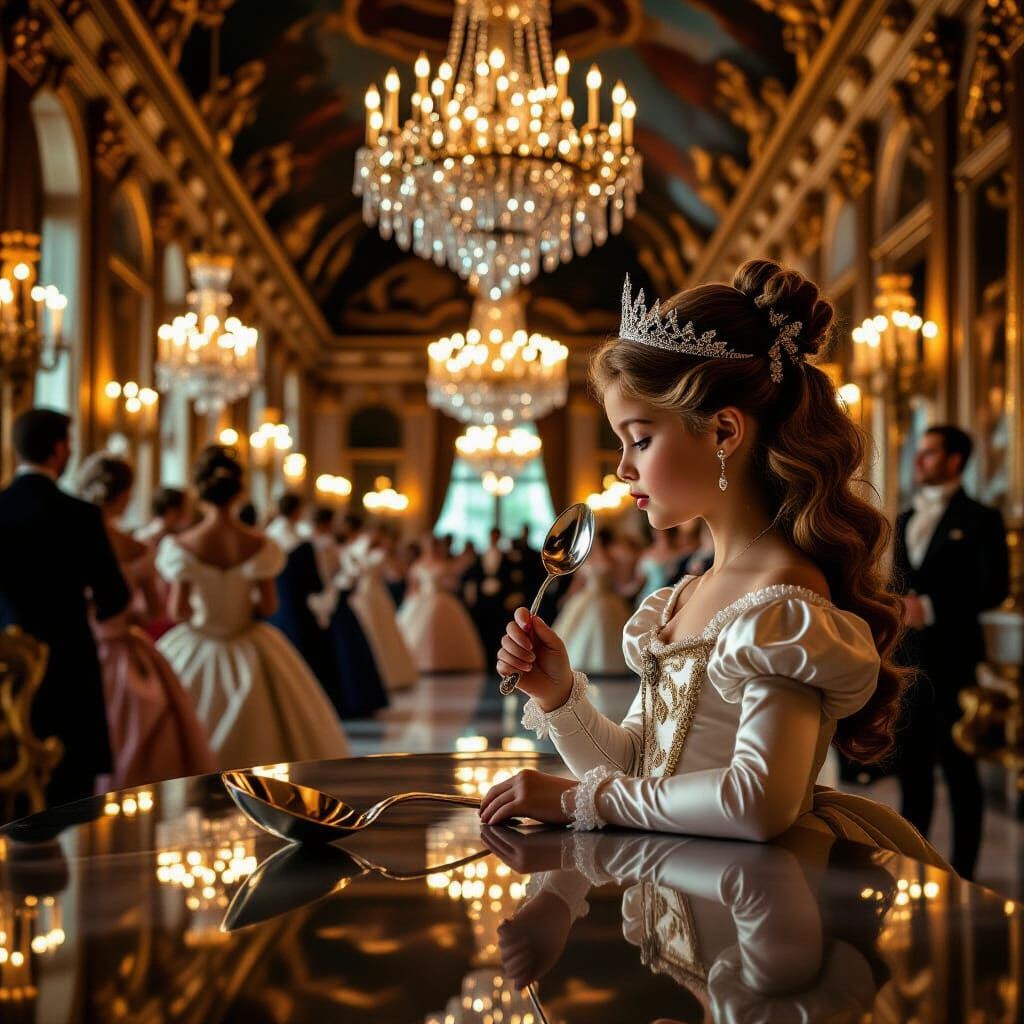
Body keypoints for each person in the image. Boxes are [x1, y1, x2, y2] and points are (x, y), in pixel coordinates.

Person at [479, 258, 949, 871]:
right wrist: (561, 696)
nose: (623, 469)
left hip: (758, 905)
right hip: (684, 884)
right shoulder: (684, 595)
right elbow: (640, 772)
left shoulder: (784, 603)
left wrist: (575, 799)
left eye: (640, 439)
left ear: (724, 431)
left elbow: (757, 804)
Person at [155, 445, 350, 769]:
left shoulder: (181, 545)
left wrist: (207, 613)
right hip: (248, 641)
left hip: (199, 641)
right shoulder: (259, 544)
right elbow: (270, 605)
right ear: (240, 492)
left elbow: (178, 611)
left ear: (200, 491)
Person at [894, 425, 1009, 879]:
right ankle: (911, 862)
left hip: (956, 661)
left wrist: (933, 607)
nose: (919, 462)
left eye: (929, 454)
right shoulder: (904, 519)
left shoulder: (982, 519)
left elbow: (993, 589)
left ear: (955, 461)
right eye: (918, 454)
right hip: (908, 663)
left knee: (960, 772)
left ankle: (965, 872)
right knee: (912, 770)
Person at [0, 409, 130, 806]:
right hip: (67, 666)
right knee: (70, 798)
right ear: (59, 449)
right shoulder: (82, 515)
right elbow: (115, 598)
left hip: (4, 672)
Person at [77, 452, 215, 788]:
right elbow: (154, 612)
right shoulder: (135, 548)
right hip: (123, 648)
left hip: (82, 645)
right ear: (125, 495)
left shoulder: (71, 539)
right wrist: (126, 617)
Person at [397, 535, 486, 673]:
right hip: (421, 601)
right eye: (428, 546)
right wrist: (409, 601)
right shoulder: (417, 565)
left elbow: (454, 584)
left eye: (433, 545)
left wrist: (443, 586)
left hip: (441, 598)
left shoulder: (444, 564)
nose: (430, 548)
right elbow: (413, 586)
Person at [550, 528, 632, 676]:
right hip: (587, 596)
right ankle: (576, 661)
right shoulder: (587, 560)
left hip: (607, 597)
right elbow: (578, 582)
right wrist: (568, 596)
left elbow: (620, 581)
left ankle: (607, 663)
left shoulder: (613, 560)